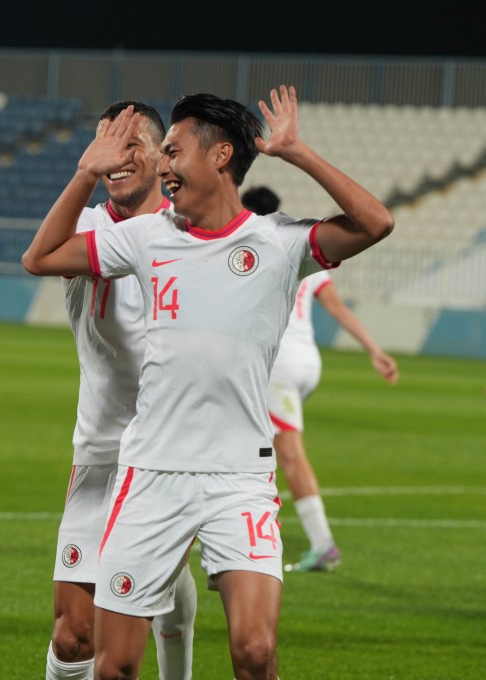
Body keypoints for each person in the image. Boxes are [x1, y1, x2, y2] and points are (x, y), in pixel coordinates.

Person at [22, 85, 393, 679]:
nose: (164, 166)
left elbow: (376, 222)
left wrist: (296, 153)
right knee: (112, 666)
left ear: (220, 156)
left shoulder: (277, 245)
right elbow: (40, 259)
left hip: (238, 476)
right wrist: (84, 172)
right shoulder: (146, 237)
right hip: (150, 474)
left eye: (173, 151)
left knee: (255, 652)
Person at [46, 100, 197, 680]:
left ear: (163, 157)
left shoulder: (191, 234)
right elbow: (39, 258)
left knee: (145, 606)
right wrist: (84, 173)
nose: (119, 157)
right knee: (74, 635)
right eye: (108, 143)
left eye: (133, 145)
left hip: (169, 456)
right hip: (101, 455)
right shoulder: (84, 227)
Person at [241, 186, 399, 573]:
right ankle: (236, 526)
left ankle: (323, 544)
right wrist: (373, 349)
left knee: (289, 452)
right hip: (308, 361)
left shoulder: (249, 248)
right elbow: (337, 307)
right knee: (254, 439)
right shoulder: (300, 246)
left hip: (279, 364)